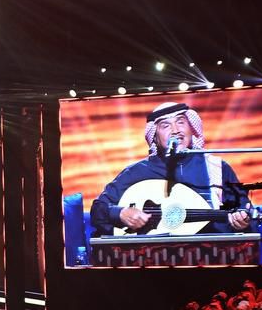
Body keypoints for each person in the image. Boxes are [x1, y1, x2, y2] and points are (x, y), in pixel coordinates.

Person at [89, 101, 252, 237]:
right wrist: (120, 213)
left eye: (180, 122)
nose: (175, 130)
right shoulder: (136, 172)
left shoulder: (216, 167)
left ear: (191, 128)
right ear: (155, 137)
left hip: (212, 253)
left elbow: (242, 208)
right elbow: (98, 210)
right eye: (165, 125)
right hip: (154, 257)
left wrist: (242, 220)